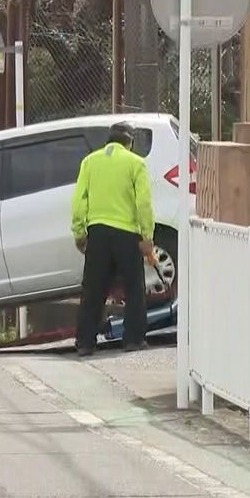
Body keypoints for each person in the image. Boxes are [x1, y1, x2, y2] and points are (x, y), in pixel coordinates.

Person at [71, 123, 156, 357]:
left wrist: (79, 233)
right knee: (134, 288)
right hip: (127, 234)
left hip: (96, 232)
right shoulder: (135, 163)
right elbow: (143, 203)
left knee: (93, 289)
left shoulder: (89, 162)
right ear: (129, 143)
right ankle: (134, 339)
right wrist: (147, 236)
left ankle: (86, 343)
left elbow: (79, 201)